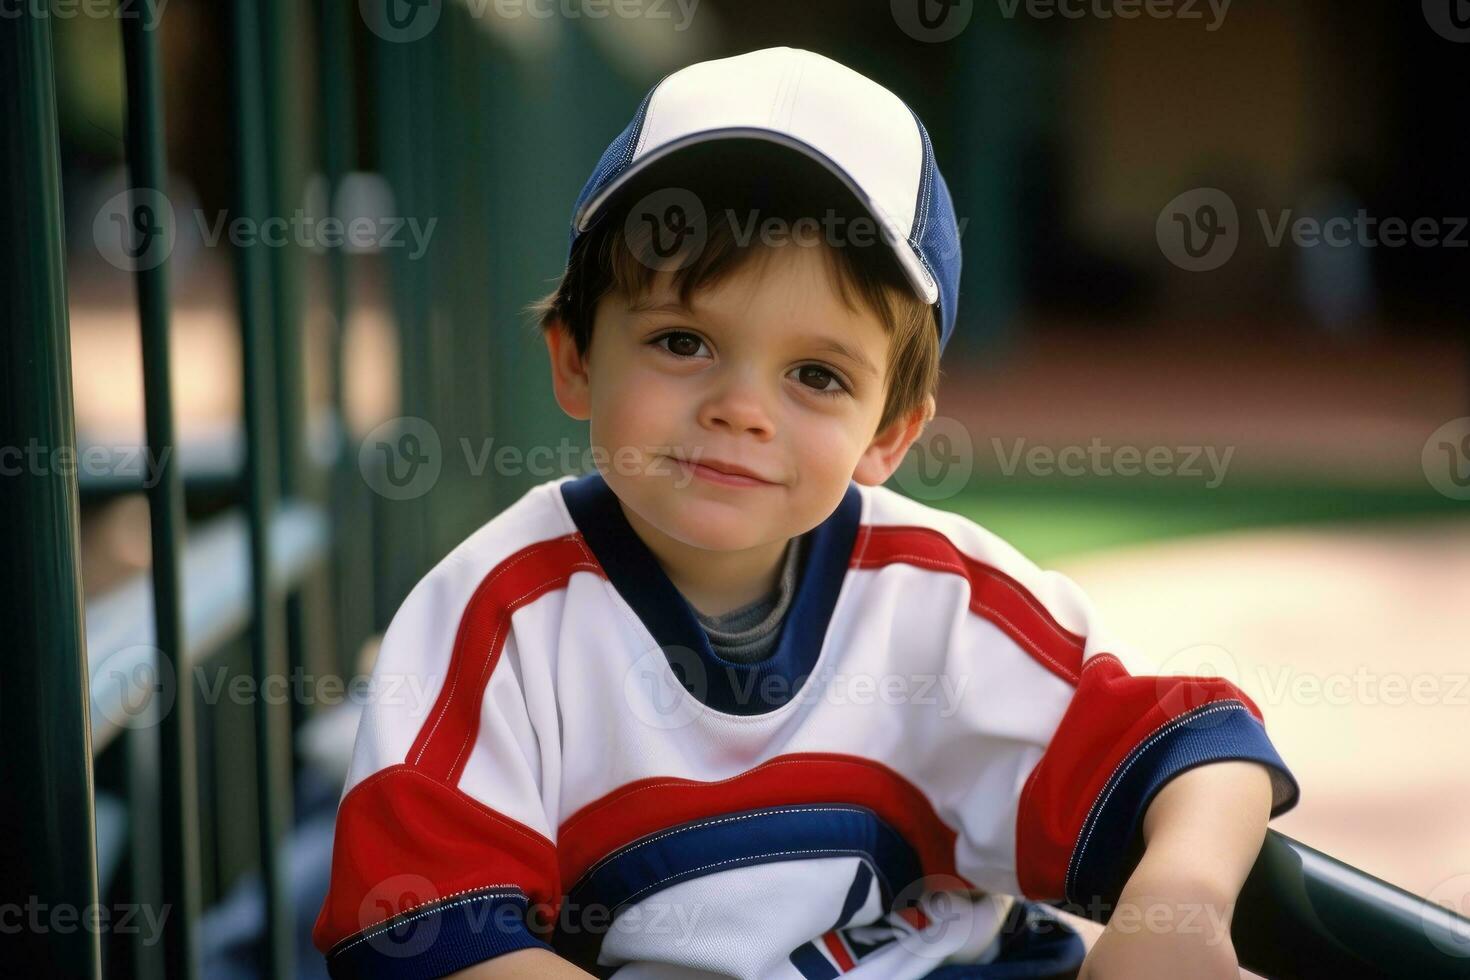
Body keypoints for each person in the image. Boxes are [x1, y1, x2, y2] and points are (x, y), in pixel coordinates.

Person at [312, 46, 1299, 979]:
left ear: (890, 434)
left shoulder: (937, 594)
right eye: (683, 340)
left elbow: (1199, 749)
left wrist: (1179, 907)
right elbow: (425, 928)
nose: (740, 407)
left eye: (817, 373)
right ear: (574, 356)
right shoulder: (498, 616)